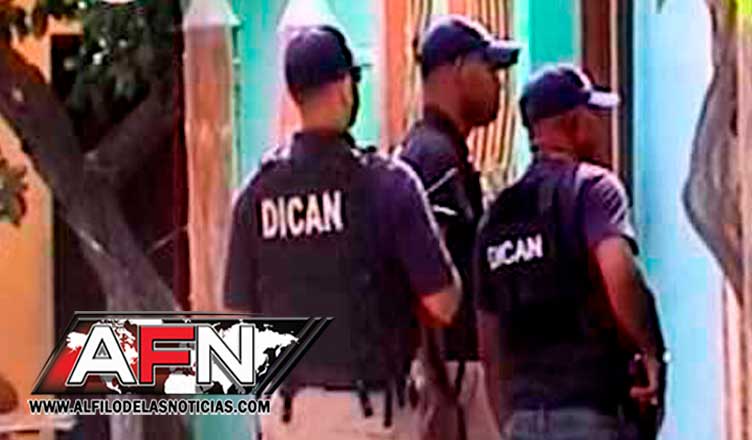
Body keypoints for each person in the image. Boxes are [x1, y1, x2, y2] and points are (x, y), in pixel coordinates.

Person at [223, 25, 462, 440]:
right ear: (344, 88)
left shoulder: (255, 194)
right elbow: (443, 304)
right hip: (368, 416)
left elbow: (236, 318)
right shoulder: (388, 184)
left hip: (286, 415)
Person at [474, 64, 668, 439]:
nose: (600, 128)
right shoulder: (593, 189)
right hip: (591, 409)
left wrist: (508, 422)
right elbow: (620, 276)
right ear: (576, 122)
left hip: (524, 417)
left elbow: (489, 343)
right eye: (595, 116)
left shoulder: (496, 217)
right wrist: (650, 351)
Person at [398, 15, 520, 440]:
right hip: (451, 372)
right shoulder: (433, 156)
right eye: (489, 68)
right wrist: (440, 389)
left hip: (456, 369)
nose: (498, 84)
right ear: (456, 69)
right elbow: (423, 280)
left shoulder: (441, 151)